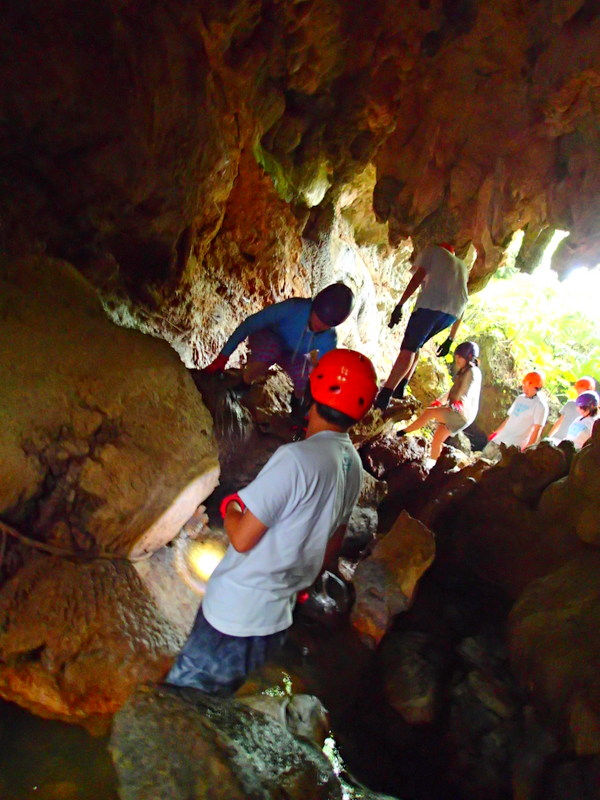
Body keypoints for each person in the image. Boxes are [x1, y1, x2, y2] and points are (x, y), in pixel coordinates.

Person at [165, 348, 378, 695]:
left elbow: (242, 539)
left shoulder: (296, 458)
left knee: (181, 705)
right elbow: (329, 552)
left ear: (313, 390)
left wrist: (232, 507)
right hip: (274, 623)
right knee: (215, 705)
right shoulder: (352, 465)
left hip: (232, 618)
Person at [202, 283, 355, 415]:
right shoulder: (295, 308)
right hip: (267, 337)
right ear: (314, 307)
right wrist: (223, 356)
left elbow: (322, 374)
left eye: (326, 323)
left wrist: (313, 408)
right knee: (270, 350)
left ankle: (297, 408)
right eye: (318, 317)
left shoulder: (328, 339)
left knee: (305, 376)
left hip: (290, 353)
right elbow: (250, 324)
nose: (320, 325)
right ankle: (244, 383)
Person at [374, 242, 469, 412]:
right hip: (452, 314)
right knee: (416, 345)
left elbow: (418, 276)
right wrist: (450, 339)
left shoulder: (433, 251)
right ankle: (400, 387)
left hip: (430, 306)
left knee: (408, 349)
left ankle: (384, 396)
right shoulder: (461, 267)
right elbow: (463, 301)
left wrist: (400, 304)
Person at [397, 341, 482, 469]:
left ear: (468, 356)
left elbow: (467, 392)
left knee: (429, 412)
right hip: (464, 414)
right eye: (456, 356)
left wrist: (457, 405)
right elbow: (453, 391)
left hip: (461, 412)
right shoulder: (467, 371)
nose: (456, 359)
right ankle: (434, 466)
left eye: (460, 356)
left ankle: (402, 432)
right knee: (437, 439)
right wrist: (440, 401)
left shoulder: (472, 372)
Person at [486, 371, 549, 455]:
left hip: (513, 447)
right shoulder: (520, 398)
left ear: (537, 388)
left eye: (529, 388)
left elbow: (537, 429)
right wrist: (496, 433)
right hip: (499, 439)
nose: (525, 390)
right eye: (524, 386)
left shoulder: (540, 405)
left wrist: (528, 450)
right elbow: (509, 418)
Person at [547, 376, 596, 443]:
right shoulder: (570, 404)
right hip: (556, 439)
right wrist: (548, 437)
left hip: (571, 446)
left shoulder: (593, 415)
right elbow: (559, 422)